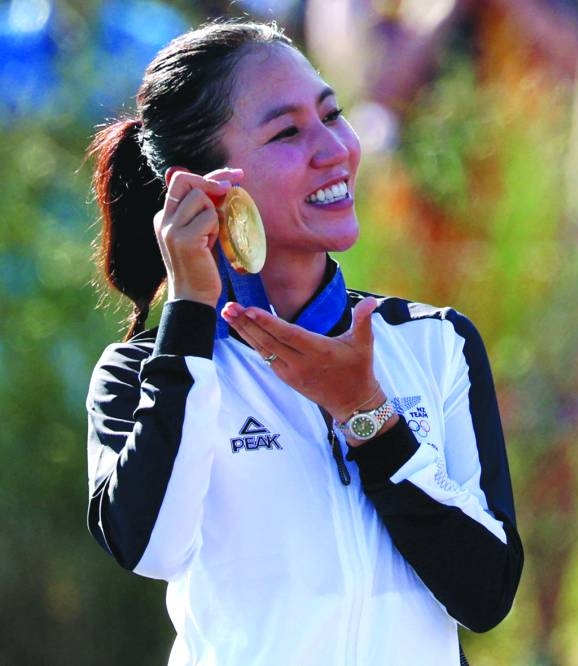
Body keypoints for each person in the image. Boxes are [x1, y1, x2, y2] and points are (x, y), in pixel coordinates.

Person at [84, 20, 522, 666]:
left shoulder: (435, 343)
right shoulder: (148, 370)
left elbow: (484, 595)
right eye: (287, 132)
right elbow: (151, 548)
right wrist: (189, 317)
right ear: (201, 187)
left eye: (332, 114)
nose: (336, 149)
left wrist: (370, 418)